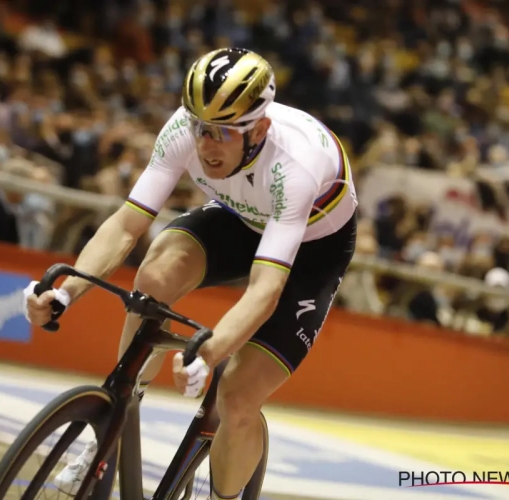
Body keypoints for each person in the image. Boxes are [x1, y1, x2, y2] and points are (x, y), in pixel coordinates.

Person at [24, 47, 358, 499]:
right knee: (156, 271)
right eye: (201, 128)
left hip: (312, 247)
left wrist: (211, 353)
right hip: (242, 218)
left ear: (258, 129)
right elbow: (127, 224)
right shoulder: (183, 129)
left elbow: (266, 289)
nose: (206, 145)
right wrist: (66, 291)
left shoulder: (292, 165)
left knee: (237, 397)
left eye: (222, 133)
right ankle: (116, 418)